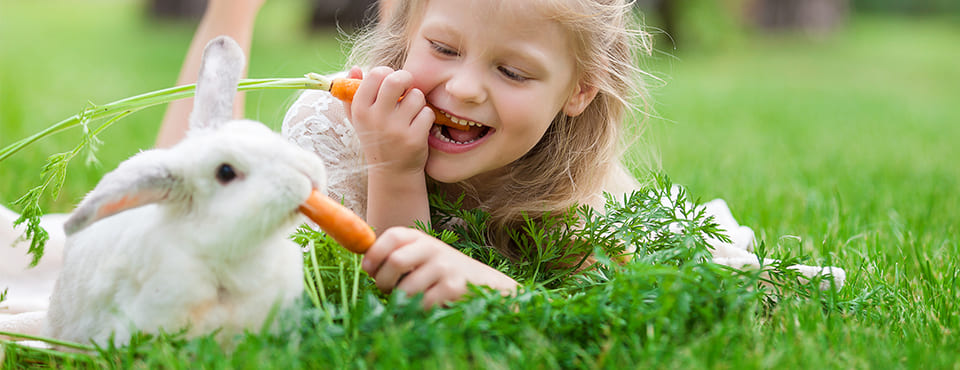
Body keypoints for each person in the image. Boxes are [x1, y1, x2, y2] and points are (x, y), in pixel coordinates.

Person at [156, 0, 656, 308]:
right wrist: (393, 169)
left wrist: (507, 294)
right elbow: (382, 307)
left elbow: (600, 318)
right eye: (442, 47)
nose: (462, 89)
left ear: (580, 92)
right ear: (407, 36)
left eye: (513, 73)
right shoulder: (338, 130)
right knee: (185, 202)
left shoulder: (584, 189)